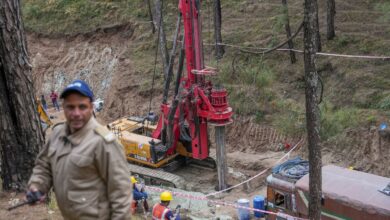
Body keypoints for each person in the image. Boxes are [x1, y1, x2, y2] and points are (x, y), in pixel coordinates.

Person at [27, 79, 132, 220]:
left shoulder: (103, 142)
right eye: (70, 107)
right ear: (63, 107)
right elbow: (44, 165)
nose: (76, 113)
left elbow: (121, 194)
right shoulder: (57, 134)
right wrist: (37, 186)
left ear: (91, 107)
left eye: (82, 107)